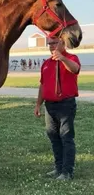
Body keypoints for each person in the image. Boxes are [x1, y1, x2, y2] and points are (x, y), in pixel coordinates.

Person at [34, 37, 81, 180]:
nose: (51, 46)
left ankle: (67, 171)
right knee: (53, 137)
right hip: (50, 105)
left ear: (62, 43)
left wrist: (62, 59)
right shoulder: (47, 63)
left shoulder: (71, 58)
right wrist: (38, 104)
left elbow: (75, 69)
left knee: (66, 137)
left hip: (65, 104)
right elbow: (43, 85)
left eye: (54, 43)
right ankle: (58, 167)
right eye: (49, 43)